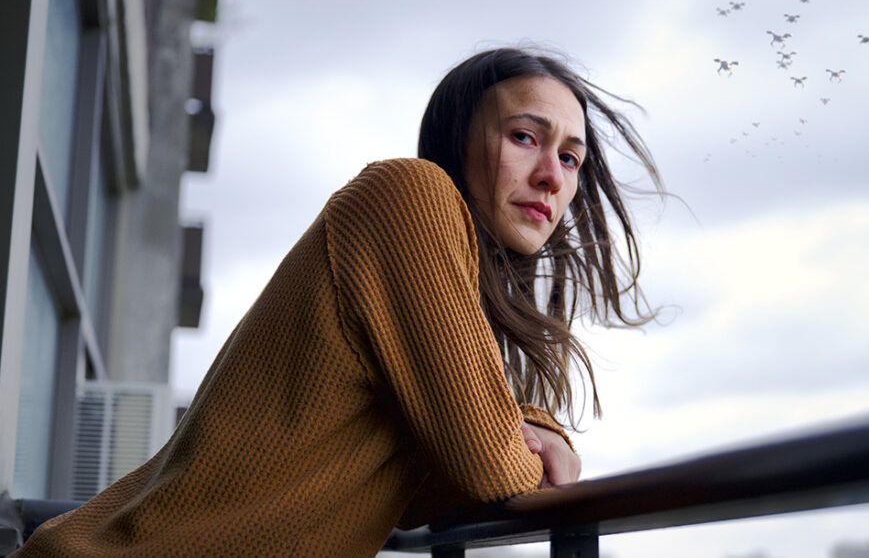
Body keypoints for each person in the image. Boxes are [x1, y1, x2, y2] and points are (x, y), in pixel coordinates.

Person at [14, 47, 662, 556]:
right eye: (526, 137)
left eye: (572, 157)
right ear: (460, 136)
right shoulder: (411, 195)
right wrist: (535, 428)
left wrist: (519, 424)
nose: (553, 174)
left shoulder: (442, 290)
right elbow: (492, 468)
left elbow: (421, 496)